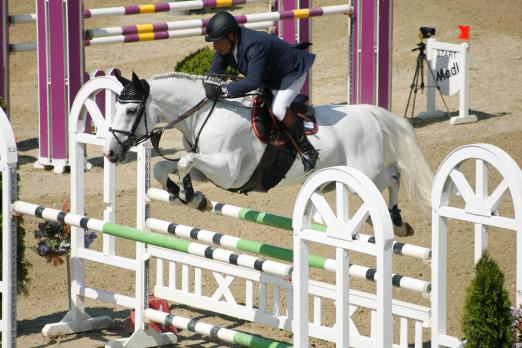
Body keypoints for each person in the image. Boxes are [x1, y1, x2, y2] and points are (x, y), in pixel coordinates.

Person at [203, 10, 319, 174]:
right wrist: (208, 84)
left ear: (230, 36)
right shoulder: (225, 48)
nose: (214, 46)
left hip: (290, 72)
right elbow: (213, 73)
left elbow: (252, 82)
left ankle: (308, 150)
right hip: (269, 75)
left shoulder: (253, 45)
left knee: (279, 109)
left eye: (216, 42)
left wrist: (223, 90)